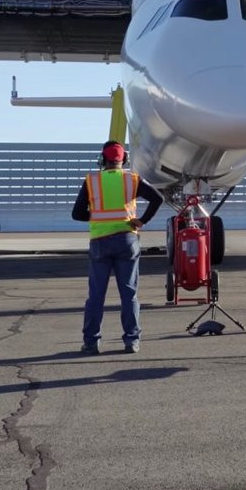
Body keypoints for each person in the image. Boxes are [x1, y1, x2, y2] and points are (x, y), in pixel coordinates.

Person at [72, 140, 163, 354]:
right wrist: (141, 221)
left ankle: (91, 342)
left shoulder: (91, 181)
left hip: (100, 242)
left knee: (96, 295)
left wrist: (96, 217)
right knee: (129, 293)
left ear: (102, 160)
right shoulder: (132, 180)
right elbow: (157, 199)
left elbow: (76, 214)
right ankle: (132, 340)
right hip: (127, 240)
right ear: (125, 160)